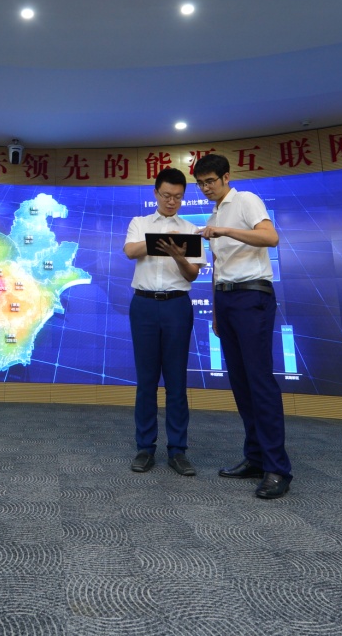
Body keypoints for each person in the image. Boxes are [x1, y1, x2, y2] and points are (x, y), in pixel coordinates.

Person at [195, 153, 292, 499]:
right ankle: (255, 457)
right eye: (201, 183)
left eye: (210, 181)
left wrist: (225, 230)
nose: (206, 188)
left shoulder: (246, 200)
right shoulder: (213, 215)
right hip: (226, 300)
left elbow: (270, 237)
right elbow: (218, 265)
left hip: (252, 296)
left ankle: (277, 468)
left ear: (226, 177)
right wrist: (216, 313)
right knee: (240, 384)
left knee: (259, 381)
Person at [123, 167, 203, 476]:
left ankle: (178, 450)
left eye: (178, 197)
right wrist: (163, 242)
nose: (172, 202)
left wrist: (178, 255)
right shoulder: (139, 223)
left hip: (176, 305)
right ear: (156, 193)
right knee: (146, 381)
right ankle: (145, 448)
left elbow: (192, 274)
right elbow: (130, 251)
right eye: (167, 195)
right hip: (143, 305)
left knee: (176, 381)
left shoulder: (190, 229)